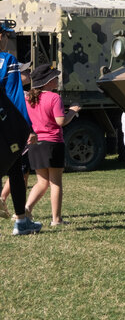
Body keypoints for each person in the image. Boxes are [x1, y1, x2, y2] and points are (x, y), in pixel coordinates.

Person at [24, 62, 80, 226]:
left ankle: (26, 207)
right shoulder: (54, 97)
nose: (57, 79)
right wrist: (73, 111)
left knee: (42, 182)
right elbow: (61, 121)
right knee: (56, 182)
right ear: (47, 81)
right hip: (53, 143)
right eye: (54, 77)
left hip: (35, 144)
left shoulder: (30, 98)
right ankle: (56, 219)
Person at [1, 22, 41, 235]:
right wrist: (28, 128)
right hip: (4, 126)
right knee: (14, 164)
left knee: (15, 168)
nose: (8, 40)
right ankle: (21, 221)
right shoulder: (7, 60)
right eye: (7, 36)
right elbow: (14, 95)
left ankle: (22, 220)